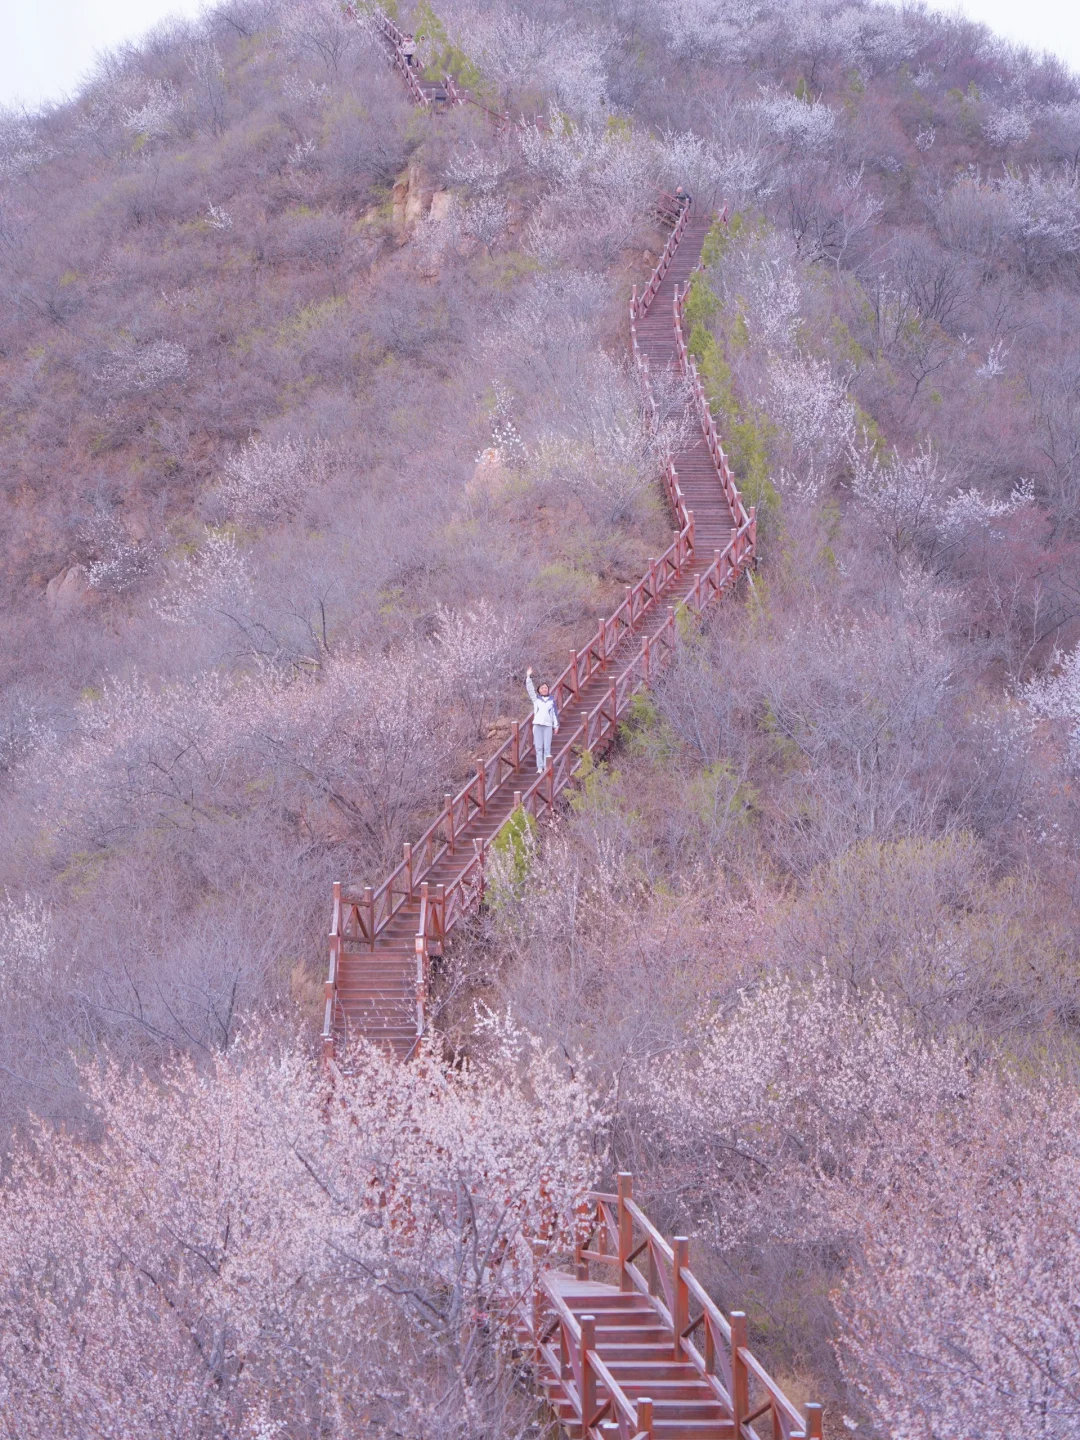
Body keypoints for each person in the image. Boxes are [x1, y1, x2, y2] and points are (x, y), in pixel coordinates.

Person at [526, 666, 559, 775]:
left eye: (546, 688)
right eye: (542, 688)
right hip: (537, 725)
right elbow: (530, 690)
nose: (544, 689)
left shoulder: (552, 701)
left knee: (547, 748)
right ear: (539, 690)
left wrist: (556, 725)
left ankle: (546, 767)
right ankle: (540, 767)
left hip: (548, 726)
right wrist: (528, 676)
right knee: (539, 747)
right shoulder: (536, 700)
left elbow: (554, 714)